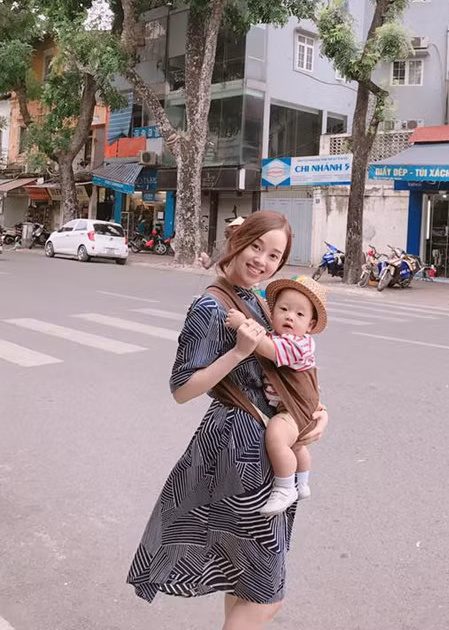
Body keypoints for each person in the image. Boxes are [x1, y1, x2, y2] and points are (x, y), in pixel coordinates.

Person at [126, 210, 328, 630]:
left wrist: (315, 413)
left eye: (274, 256)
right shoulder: (209, 306)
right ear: (238, 241)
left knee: (244, 579)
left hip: (262, 442)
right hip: (241, 452)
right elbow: (183, 389)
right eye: (256, 246)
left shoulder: (258, 300)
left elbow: (290, 367)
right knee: (266, 594)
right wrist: (238, 352)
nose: (262, 261)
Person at [225, 275, 327, 516]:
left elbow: (267, 349)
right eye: (283, 309)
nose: (290, 316)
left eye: (299, 314)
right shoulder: (280, 336)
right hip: (294, 406)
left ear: (310, 325)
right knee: (296, 447)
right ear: (272, 314)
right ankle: (302, 482)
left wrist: (243, 324)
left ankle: (284, 487)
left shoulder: (298, 344)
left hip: (294, 409)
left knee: (277, 437)